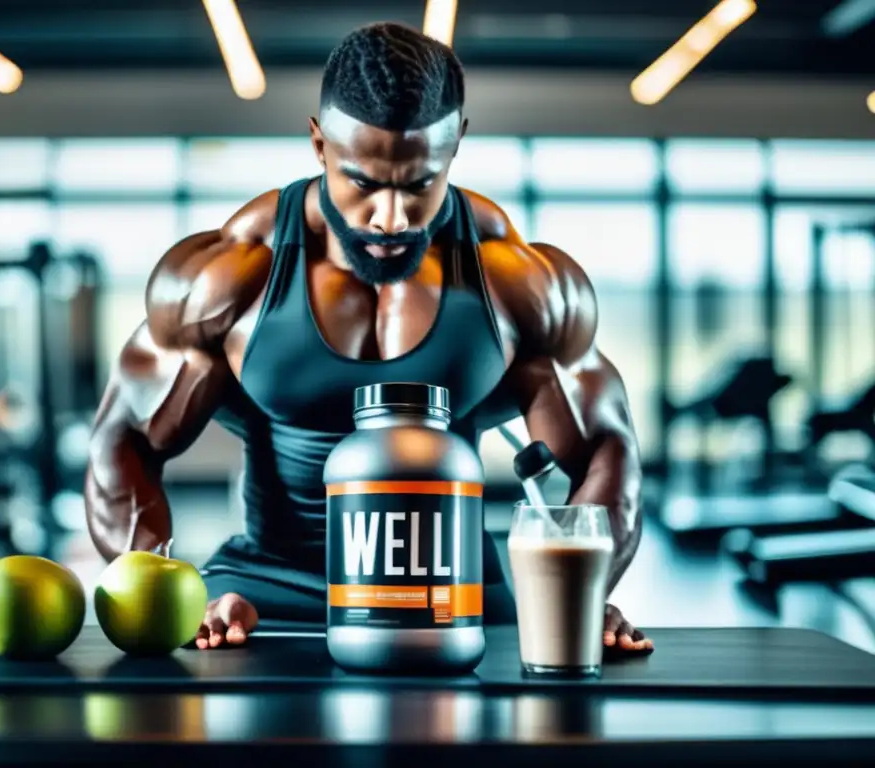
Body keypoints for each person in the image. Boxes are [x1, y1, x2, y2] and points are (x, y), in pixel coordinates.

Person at [84, 21, 652, 656]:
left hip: (454, 596)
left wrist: (582, 592)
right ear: (319, 144)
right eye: (363, 183)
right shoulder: (232, 278)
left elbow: (607, 447)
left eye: (418, 185)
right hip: (260, 594)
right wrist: (167, 592)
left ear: (456, 144)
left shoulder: (517, 284)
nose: (391, 217)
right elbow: (123, 441)